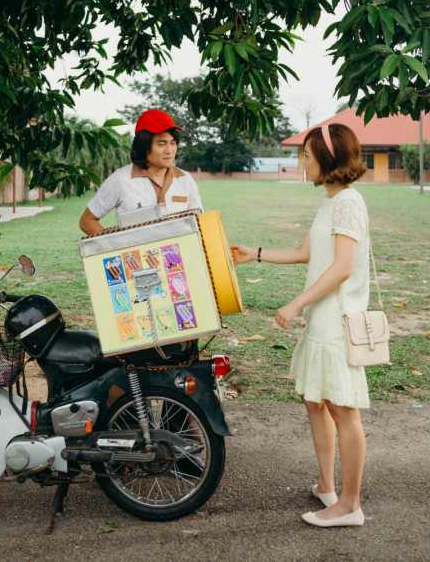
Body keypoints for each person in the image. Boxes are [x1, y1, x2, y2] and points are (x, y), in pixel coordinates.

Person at [231, 123, 370, 529]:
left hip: (336, 320)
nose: (300, 162)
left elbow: (342, 268)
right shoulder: (330, 201)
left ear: (327, 159)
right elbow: (305, 253)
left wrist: (296, 303)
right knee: (316, 401)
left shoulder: (348, 202)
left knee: (344, 411)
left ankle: (350, 504)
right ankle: (327, 486)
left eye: (305, 155)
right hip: (321, 320)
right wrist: (253, 254)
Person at [79, 109, 202, 236]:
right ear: (143, 145)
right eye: (161, 144)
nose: (170, 150)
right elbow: (87, 221)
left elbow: (199, 222)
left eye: (173, 143)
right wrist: (120, 246)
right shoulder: (121, 179)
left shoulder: (185, 179)